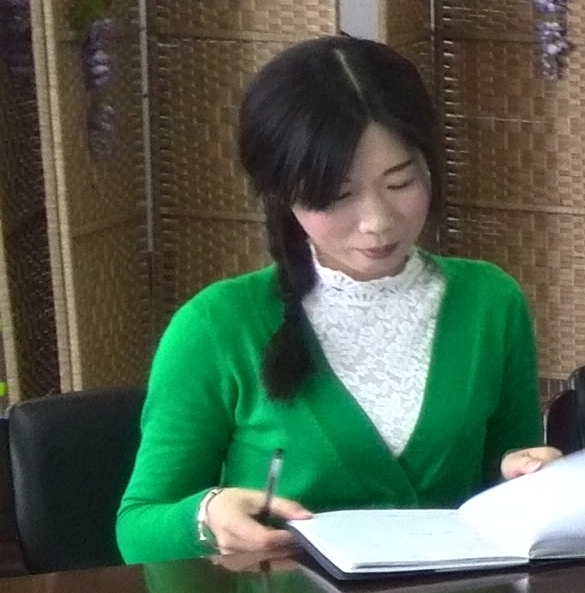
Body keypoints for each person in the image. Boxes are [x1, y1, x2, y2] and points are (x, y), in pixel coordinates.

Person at [118, 35, 558, 565]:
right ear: (283, 193)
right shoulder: (218, 325)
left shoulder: (490, 301)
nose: (377, 222)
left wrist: (532, 478)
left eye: (400, 183)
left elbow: (505, 485)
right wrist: (206, 516)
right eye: (337, 195)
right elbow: (137, 529)